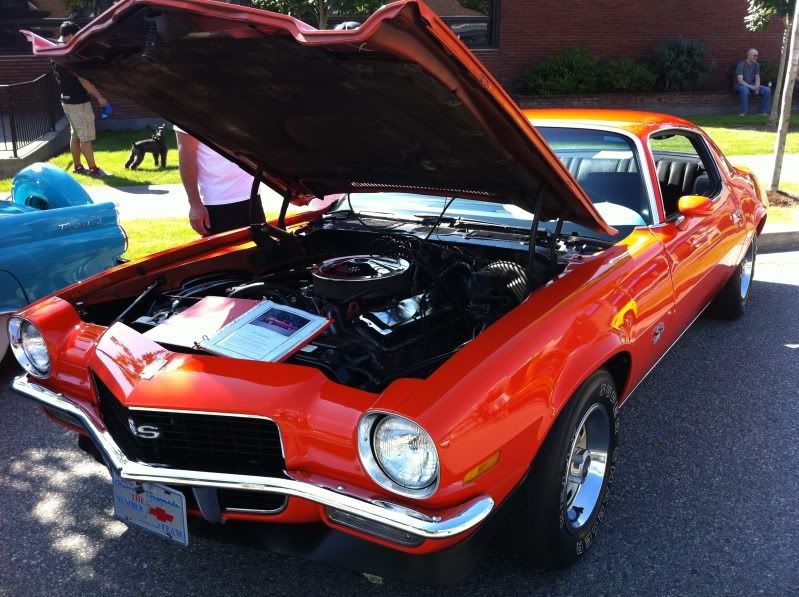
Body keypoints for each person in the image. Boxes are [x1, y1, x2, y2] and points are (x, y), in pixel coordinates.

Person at [175, 127, 266, 236]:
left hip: (252, 198)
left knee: (260, 251)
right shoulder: (188, 113)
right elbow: (186, 155)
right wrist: (194, 204)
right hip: (216, 205)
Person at [53, 21, 108, 177]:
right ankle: (94, 169)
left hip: (66, 100)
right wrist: (99, 96)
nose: (78, 39)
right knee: (85, 137)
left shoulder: (55, 49)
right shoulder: (69, 54)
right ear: (70, 35)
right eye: (76, 36)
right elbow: (83, 80)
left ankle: (77, 166)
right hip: (78, 102)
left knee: (75, 134)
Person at [735, 48, 771, 116]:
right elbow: (740, 81)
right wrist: (751, 87)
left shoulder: (756, 65)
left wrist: (757, 87)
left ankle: (762, 111)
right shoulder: (741, 65)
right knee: (745, 90)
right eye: (754, 55)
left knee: (767, 90)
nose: (756, 57)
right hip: (740, 85)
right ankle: (743, 112)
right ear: (749, 55)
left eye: (757, 56)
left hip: (752, 84)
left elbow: (757, 77)